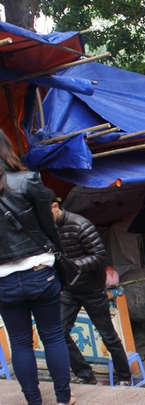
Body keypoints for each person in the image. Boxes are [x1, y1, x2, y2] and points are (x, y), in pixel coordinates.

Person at [0, 130, 74, 405]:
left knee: (19, 343)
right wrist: (60, 261)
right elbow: (49, 229)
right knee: (53, 336)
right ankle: (64, 398)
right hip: (39, 272)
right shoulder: (27, 180)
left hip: (3, 281)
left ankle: (33, 401)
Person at [49, 192, 132, 386]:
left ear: (55, 206)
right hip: (69, 290)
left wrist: (71, 265)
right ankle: (85, 374)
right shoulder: (48, 229)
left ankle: (125, 377)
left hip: (93, 289)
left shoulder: (81, 225)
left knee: (108, 336)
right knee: (58, 332)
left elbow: (99, 257)